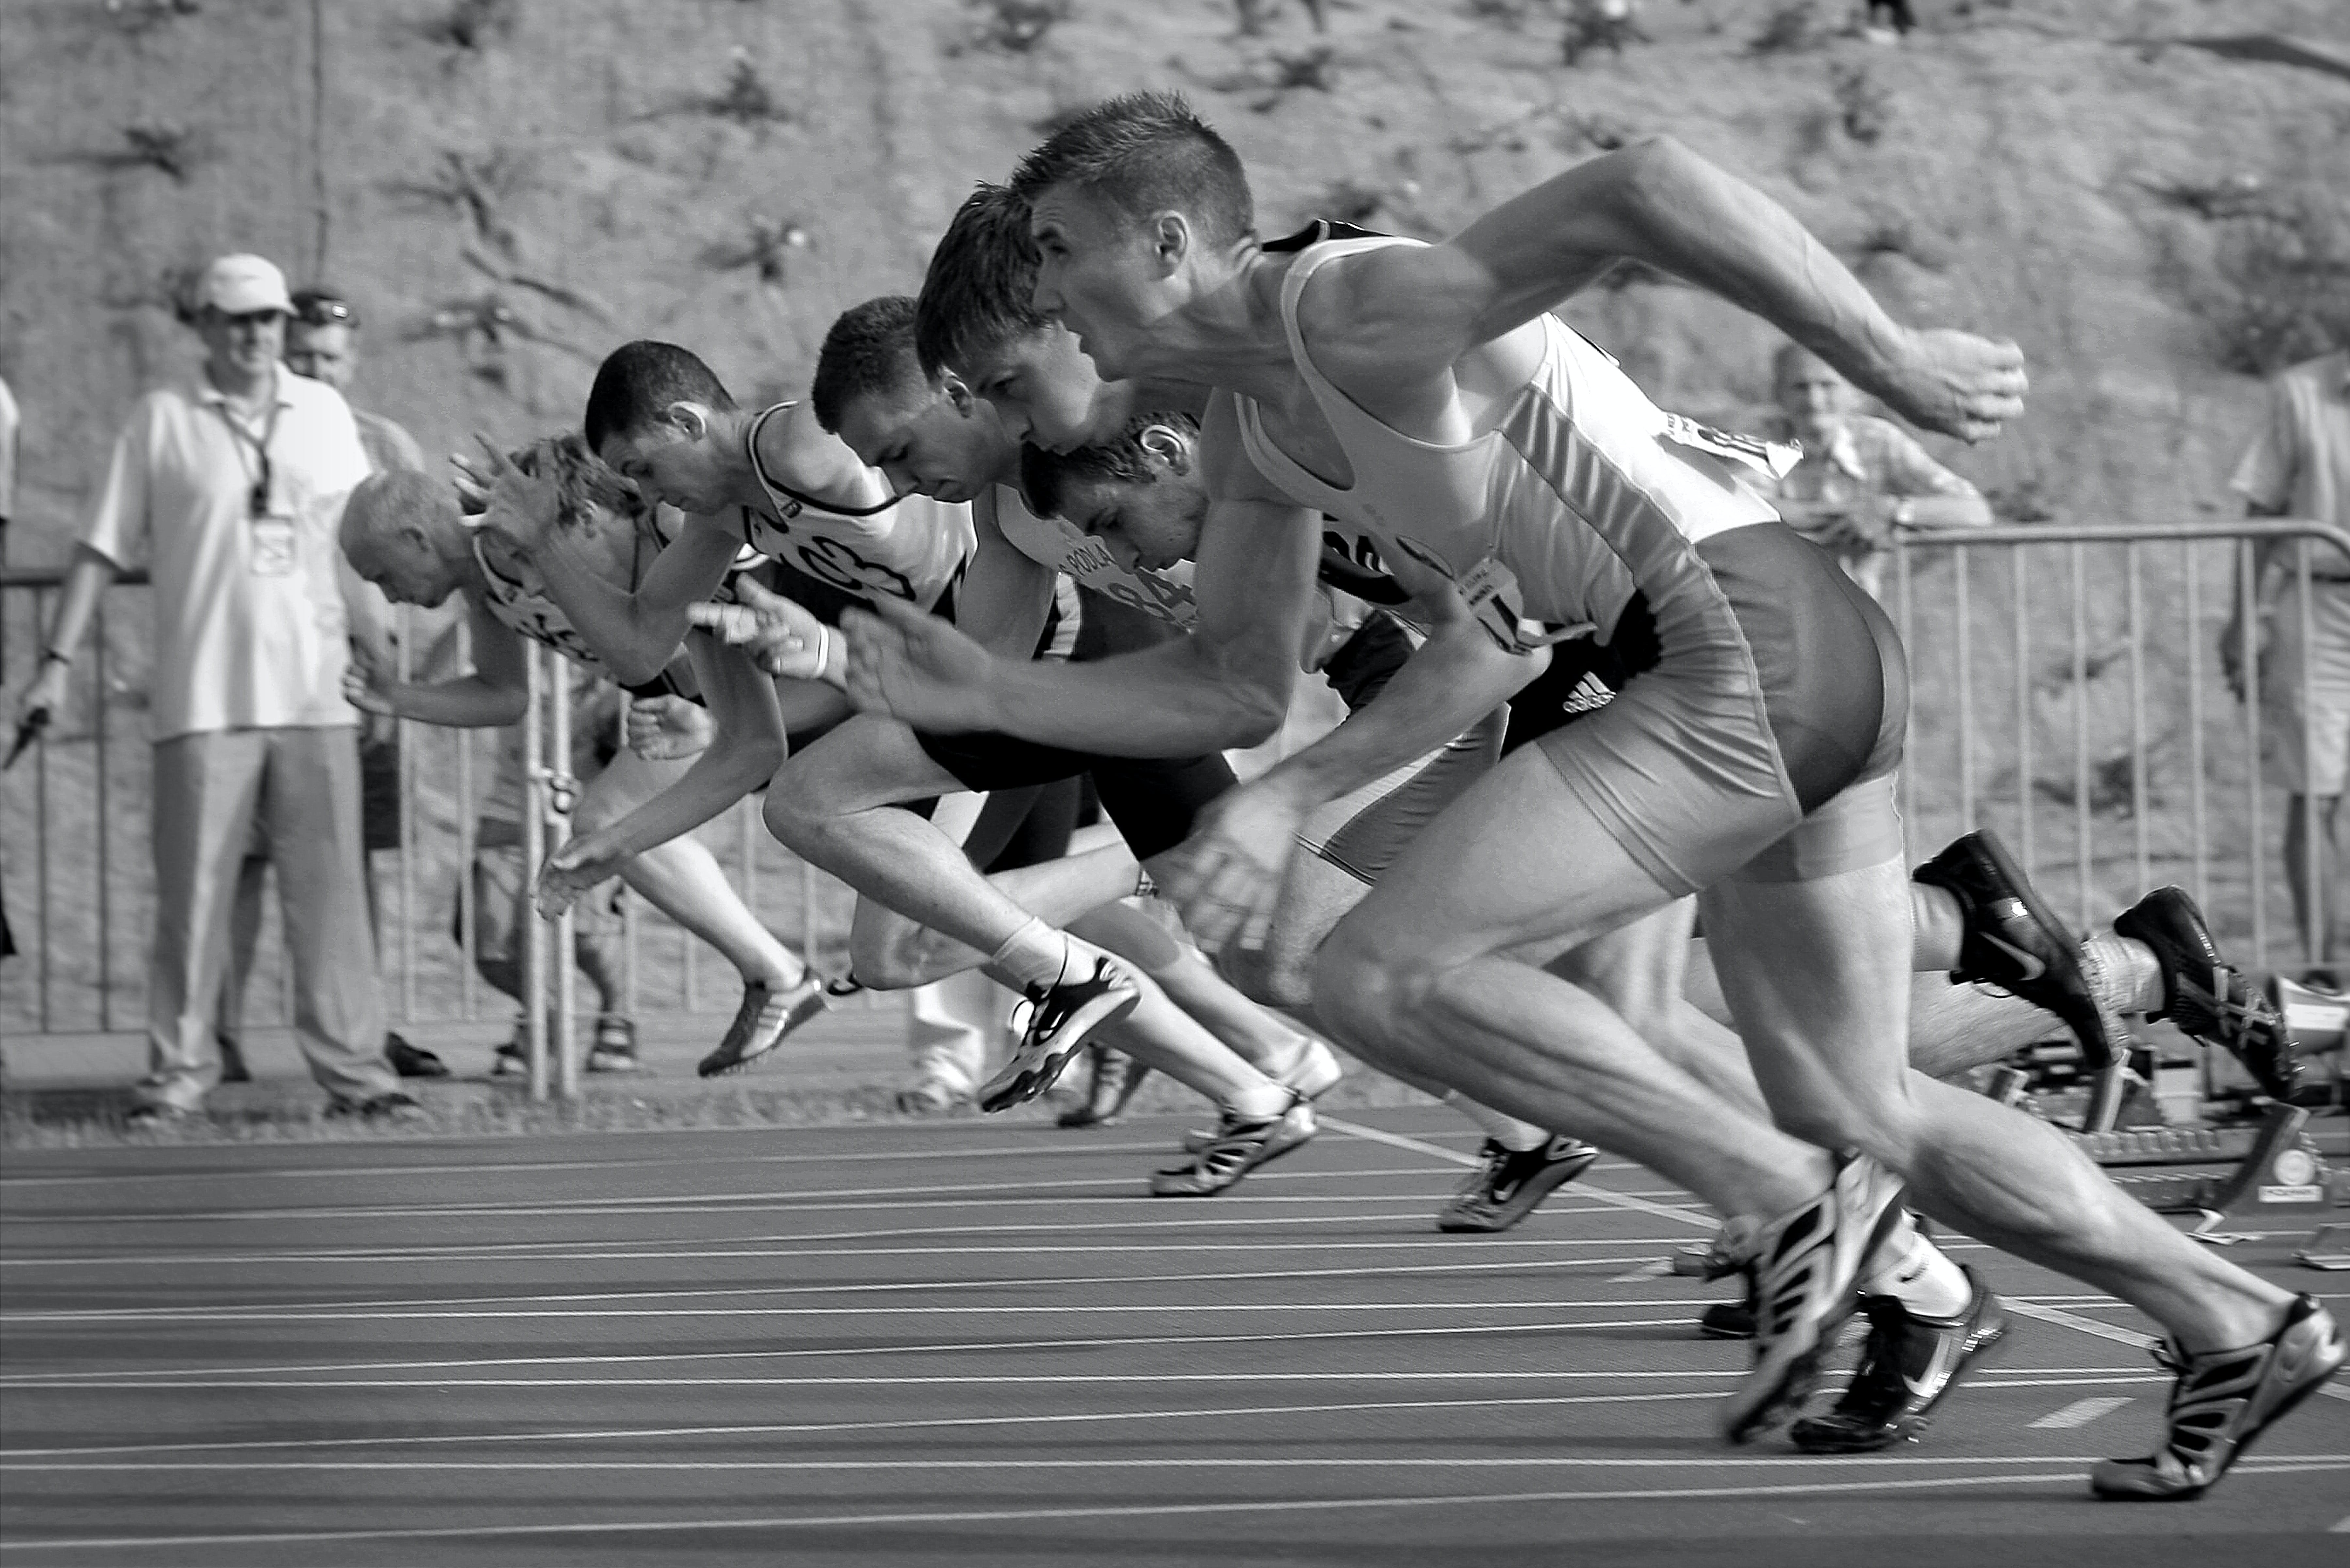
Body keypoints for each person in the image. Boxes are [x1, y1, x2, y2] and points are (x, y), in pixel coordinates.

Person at [836, 96, 2338, 1492]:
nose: (1021, 393)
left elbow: (1642, 184)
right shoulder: (1249, 429)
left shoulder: (1342, 307)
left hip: (1729, 634)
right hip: (1763, 648)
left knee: (1374, 970)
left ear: (1166, 247)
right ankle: (2232, 1321)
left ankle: (1790, 1200)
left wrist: (1892, 360)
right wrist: (996, 697)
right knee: (1852, 1098)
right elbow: (1229, 684)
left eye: (1054, 276)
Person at [9, 253, 416, 1122]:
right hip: (202, 702)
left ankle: (360, 1077)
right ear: (203, 326)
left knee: (332, 900)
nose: (256, 335)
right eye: (237, 320)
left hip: (316, 698)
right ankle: (177, 1076)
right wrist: (55, 663)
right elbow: (99, 547)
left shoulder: (323, 413)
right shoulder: (160, 419)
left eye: (267, 318)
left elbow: (358, 544)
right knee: (192, 905)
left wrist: (383, 658)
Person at [338, 440, 829, 1080]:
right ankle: (781, 975)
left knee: (905, 930)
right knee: (610, 822)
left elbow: (634, 540)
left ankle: (782, 975)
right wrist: (399, 698)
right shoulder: (486, 585)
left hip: (757, 659)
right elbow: (504, 694)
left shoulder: (513, 538)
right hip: (698, 698)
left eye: (382, 574)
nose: (389, 596)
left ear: (416, 538)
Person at [209, 285, 449, 1082]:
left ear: (353, 362)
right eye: (302, 356)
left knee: (355, 861)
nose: (316, 369)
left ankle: (365, 1030)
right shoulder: (243, 434)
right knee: (242, 861)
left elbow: (422, 553)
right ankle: (215, 1033)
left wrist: (394, 674)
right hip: (257, 677)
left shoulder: (385, 442)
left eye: (330, 358)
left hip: (356, 678)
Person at [2225, 347, 2349, 989]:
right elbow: (2261, 511)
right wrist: (2242, 616)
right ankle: (2325, 970)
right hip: (2317, 602)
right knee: (2314, 791)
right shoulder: (2301, 392)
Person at [1761, 344, 1991, 600]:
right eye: (1800, 387)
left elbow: (1974, 510)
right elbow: (1745, 506)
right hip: (1780, 604)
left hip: (1865, 604)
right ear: (1778, 394)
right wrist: (1851, 516)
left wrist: (1892, 511)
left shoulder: (1879, 440)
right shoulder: (1760, 439)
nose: (1814, 400)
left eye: (1827, 386)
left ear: (1854, 392)